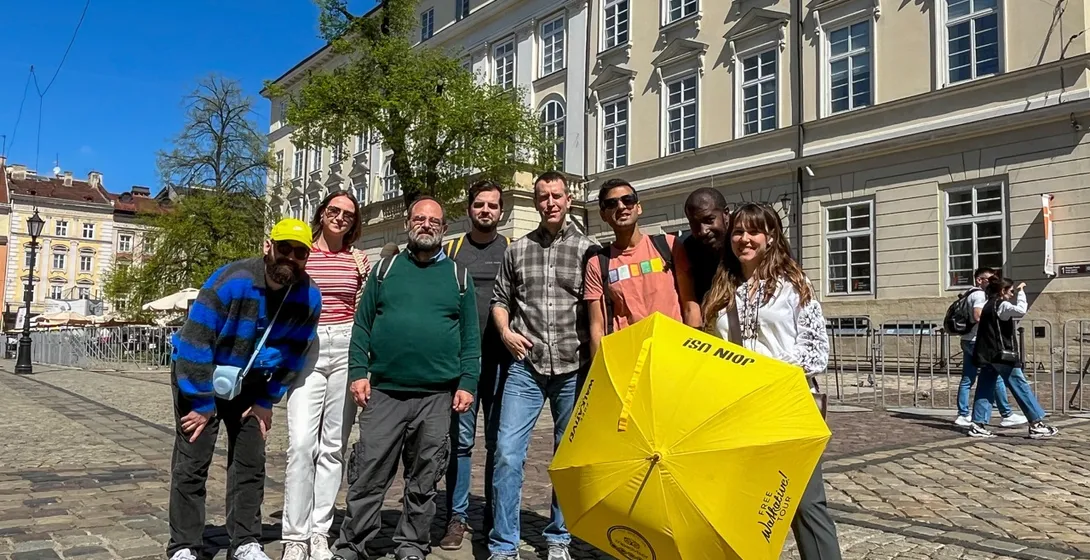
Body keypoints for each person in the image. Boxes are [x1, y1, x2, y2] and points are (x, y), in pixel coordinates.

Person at [333, 196, 481, 560]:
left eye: (434, 220)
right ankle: (353, 543)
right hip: (385, 392)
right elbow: (362, 326)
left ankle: (412, 543)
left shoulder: (458, 277)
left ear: (444, 229)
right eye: (419, 218)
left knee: (425, 478)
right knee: (368, 473)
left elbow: (471, 338)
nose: (426, 224)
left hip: (436, 396)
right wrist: (357, 373)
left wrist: (467, 382)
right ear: (407, 224)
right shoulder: (385, 270)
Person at [167, 218, 323, 560]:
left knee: (251, 463)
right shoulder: (232, 281)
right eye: (284, 248)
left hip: (252, 385)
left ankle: (245, 541)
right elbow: (195, 342)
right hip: (203, 374)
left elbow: (293, 355)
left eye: (300, 252)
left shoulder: (309, 297)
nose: (290, 258)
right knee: (193, 461)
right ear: (268, 247)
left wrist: (268, 400)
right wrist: (202, 403)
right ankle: (184, 545)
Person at [702, 203, 843, 560]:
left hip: (787, 405)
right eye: (737, 232)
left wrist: (759, 369)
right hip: (739, 411)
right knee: (743, 508)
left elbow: (815, 353)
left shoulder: (793, 284)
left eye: (753, 232)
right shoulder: (722, 289)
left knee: (806, 505)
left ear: (770, 237)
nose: (744, 239)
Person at [489, 171, 598, 560]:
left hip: (573, 367)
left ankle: (558, 538)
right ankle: (503, 545)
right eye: (543, 197)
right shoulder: (517, 250)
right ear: (535, 203)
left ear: (568, 199)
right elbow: (500, 299)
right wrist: (504, 332)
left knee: (566, 460)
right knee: (506, 452)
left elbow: (599, 309)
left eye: (556, 195)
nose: (550, 202)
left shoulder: (590, 250)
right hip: (526, 367)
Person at [282, 192, 369, 560]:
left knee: (333, 446)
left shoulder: (356, 260)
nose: (340, 218)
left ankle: (319, 531)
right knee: (302, 444)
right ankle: (294, 536)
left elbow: (363, 308)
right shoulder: (303, 253)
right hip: (309, 345)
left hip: (346, 344)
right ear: (321, 214)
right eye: (334, 211)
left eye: (348, 214)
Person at [440, 180, 511, 550]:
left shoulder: (512, 249)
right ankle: (458, 516)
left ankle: (494, 515)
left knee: (499, 444)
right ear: (469, 209)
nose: (486, 210)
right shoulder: (451, 250)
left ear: (502, 212)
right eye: (480, 204)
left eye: (493, 206)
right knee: (461, 443)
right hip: (462, 364)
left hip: (503, 364)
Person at [584, 178, 699, 358]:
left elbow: (690, 306)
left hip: (673, 353)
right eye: (611, 203)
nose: (621, 206)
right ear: (603, 214)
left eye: (627, 200)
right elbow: (596, 328)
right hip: (628, 358)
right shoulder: (598, 263)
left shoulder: (669, 246)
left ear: (638, 207)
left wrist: (695, 355)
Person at [968, 277, 1059, 439]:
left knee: (985, 387)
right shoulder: (1001, 305)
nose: (1012, 294)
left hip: (988, 354)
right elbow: (1020, 310)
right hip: (1002, 355)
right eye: (1011, 291)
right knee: (1020, 385)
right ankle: (1036, 423)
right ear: (1002, 291)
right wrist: (1022, 292)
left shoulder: (988, 305)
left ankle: (978, 423)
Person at [954, 267, 1026, 428]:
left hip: (968, 339)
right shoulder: (979, 295)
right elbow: (978, 316)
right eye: (990, 279)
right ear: (980, 280)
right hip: (976, 340)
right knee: (995, 377)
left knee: (968, 378)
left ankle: (963, 413)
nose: (994, 282)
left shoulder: (969, 293)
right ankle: (1006, 413)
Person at [682, 187, 730, 311]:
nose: (703, 231)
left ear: (726, 215)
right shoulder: (686, 250)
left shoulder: (745, 244)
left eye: (709, 220)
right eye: (694, 224)